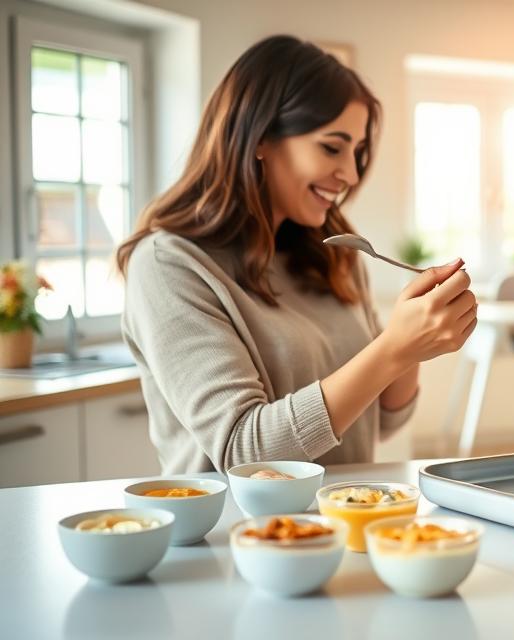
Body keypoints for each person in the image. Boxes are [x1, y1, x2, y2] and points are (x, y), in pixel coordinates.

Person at [116, 35, 476, 474]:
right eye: (332, 146)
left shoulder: (333, 252)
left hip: (343, 522)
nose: (350, 173)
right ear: (261, 137)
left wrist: (410, 343)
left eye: (357, 152)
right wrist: (393, 350)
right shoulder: (168, 265)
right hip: (234, 535)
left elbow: (382, 420)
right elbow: (243, 452)